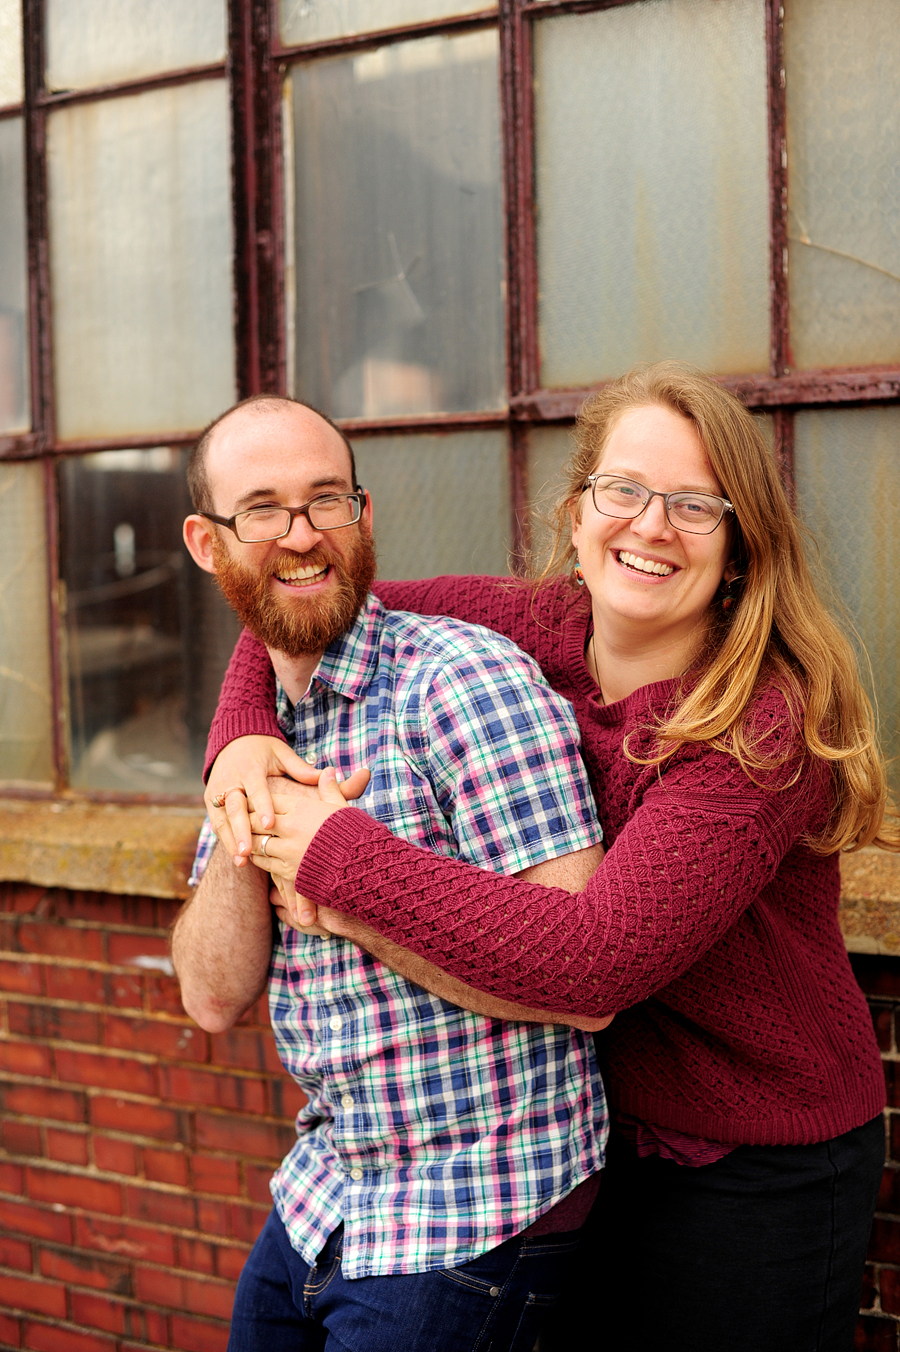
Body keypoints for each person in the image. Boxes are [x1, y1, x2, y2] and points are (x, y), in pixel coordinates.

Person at [203, 362, 900, 1352]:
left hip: (758, 1155)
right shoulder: (535, 626)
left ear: (741, 545)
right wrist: (236, 736)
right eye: (625, 491)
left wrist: (333, 859)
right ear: (578, 512)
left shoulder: (761, 724)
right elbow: (301, 601)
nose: (651, 526)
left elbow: (592, 958)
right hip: (590, 1142)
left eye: (696, 504)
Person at [171, 393, 613, 1352]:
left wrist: (341, 884)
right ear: (208, 545)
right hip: (328, 1185)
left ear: (363, 517)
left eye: (327, 500)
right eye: (264, 510)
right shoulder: (253, 734)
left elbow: (580, 978)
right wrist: (250, 828)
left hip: (482, 1202)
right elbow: (209, 997)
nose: (303, 536)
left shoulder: (463, 683)